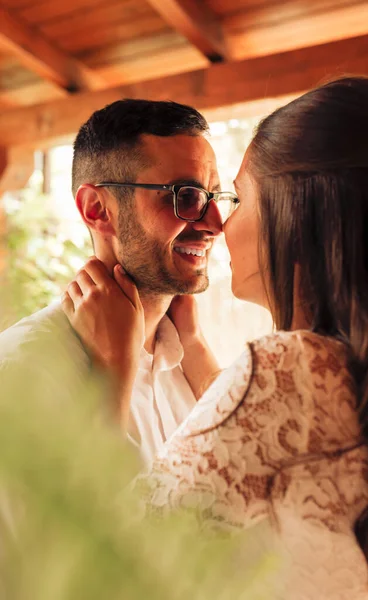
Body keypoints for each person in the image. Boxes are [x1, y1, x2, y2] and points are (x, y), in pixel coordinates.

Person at [62, 76, 368, 599]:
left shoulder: (289, 371)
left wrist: (112, 370)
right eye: (190, 197)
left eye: (237, 198)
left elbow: (103, 568)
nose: (218, 222)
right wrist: (195, 351)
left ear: (299, 212)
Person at [0, 99, 240, 468]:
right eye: (185, 196)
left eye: (213, 197)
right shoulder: (22, 373)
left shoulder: (195, 360)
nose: (215, 223)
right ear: (97, 209)